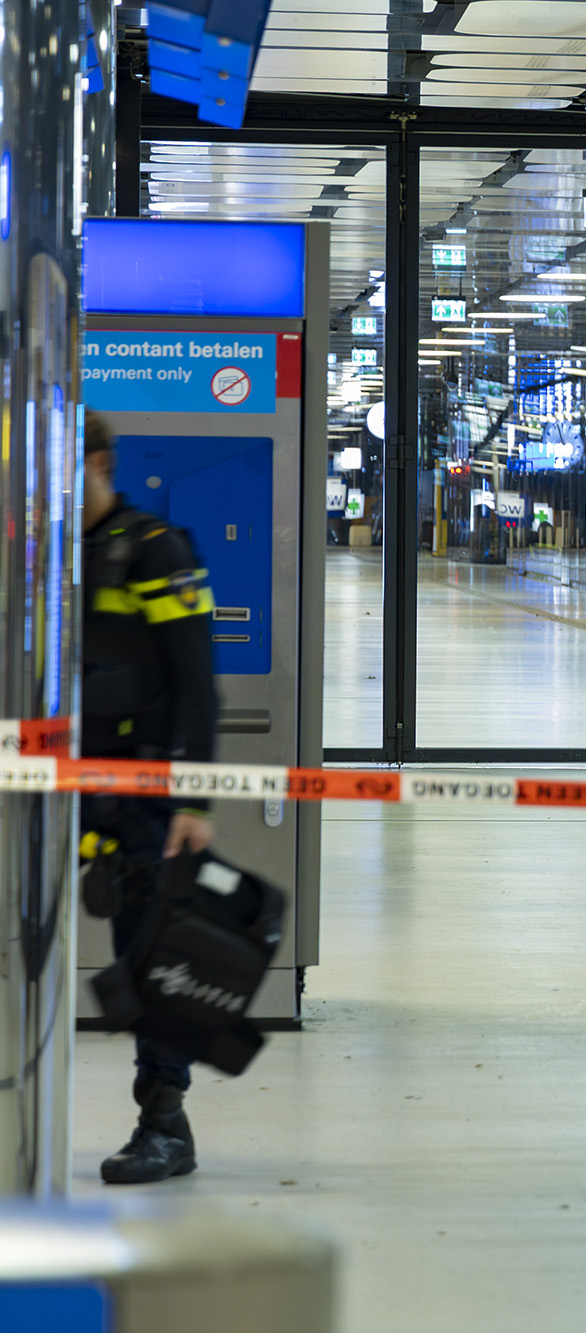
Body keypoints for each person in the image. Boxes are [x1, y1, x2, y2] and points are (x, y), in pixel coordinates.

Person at [80, 409, 219, 1184]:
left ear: (100, 462)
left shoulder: (156, 552)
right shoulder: (54, 554)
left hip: (142, 797)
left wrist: (194, 802)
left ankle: (165, 1125)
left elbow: (198, 687)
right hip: (64, 790)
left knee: (151, 955)